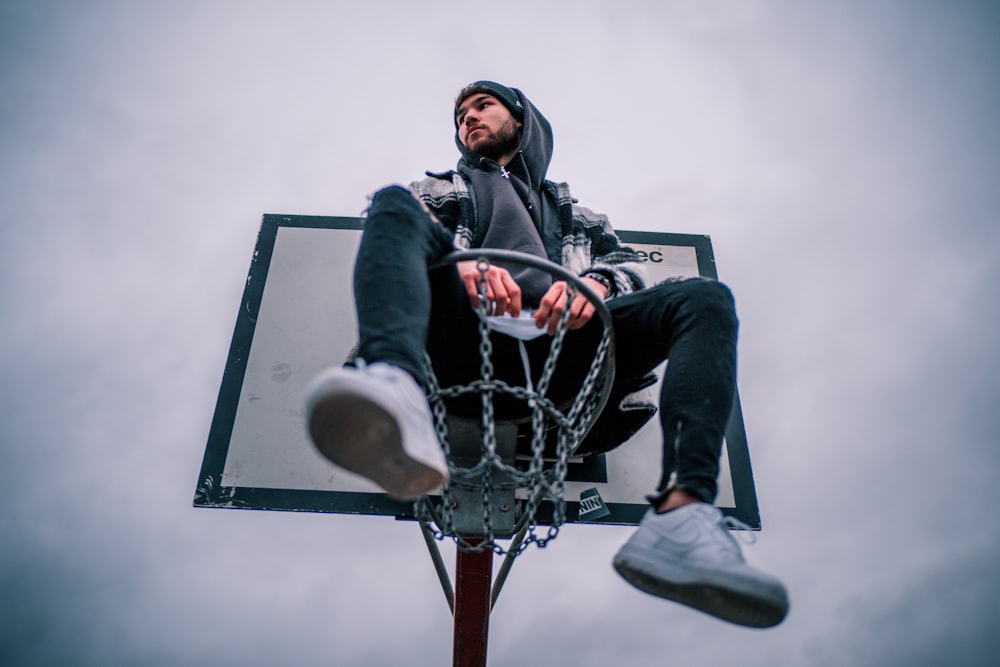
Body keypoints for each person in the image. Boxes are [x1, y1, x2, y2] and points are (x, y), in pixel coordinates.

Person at [305, 81, 789, 628]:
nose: (468, 119)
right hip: (460, 344)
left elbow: (630, 266)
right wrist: (459, 264)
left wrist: (598, 286)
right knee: (392, 203)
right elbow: (398, 229)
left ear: (522, 119)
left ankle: (684, 514)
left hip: (564, 366)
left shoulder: (580, 216)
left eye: (481, 107)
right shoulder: (440, 190)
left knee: (702, 298)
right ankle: (394, 387)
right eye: (461, 115)